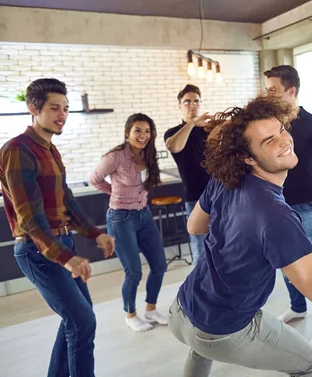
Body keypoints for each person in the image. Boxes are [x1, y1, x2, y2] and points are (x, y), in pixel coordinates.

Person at [168, 96, 312, 377]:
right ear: (248, 157)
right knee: (310, 363)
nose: (284, 141)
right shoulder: (277, 216)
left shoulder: (224, 179)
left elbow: (194, 226)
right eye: (268, 141)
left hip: (183, 310)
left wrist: (238, 232)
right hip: (221, 330)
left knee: (200, 348)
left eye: (281, 129)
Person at [0, 78, 115, 376]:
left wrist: (96, 233)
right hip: (38, 251)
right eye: (54, 108)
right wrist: (65, 257)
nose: (62, 114)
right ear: (33, 109)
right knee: (82, 322)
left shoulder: (50, 149)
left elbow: (68, 202)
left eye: (65, 108)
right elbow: (28, 217)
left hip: (61, 245)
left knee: (77, 320)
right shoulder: (17, 149)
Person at [264, 65, 312, 348]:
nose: (268, 95)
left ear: (291, 91)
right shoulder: (270, 124)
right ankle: (297, 307)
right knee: (284, 261)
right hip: (275, 206)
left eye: (273, 90)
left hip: (307, 206)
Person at [90, 113, 168, 332]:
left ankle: (151, 309)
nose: (142, 135)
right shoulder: (115, 157)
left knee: (160, 265)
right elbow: (95, 179)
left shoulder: (148, 154)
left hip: (143, 215)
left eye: (146, 131)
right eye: (137, 131)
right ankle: (130, 314)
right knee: (133, 272)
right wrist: (113, 193)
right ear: (127, 133)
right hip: (120, 218)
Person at [164, 84, 212, 266]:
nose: (193, 105)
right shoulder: (173, 133)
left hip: (219, 198)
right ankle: (201, 292)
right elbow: (173, 146)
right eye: (187, 102)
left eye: (196, 101)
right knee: (201, 253)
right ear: (179, 105)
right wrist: (192, 123)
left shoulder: (209, 131)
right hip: (195, 201)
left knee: (223, 249)